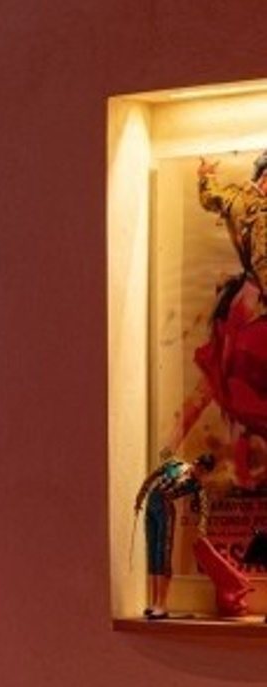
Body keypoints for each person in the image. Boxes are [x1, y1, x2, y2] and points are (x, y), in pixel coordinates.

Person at [169, 155, 267, 485]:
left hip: (248, 298)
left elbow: (211, 196)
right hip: (254, 301)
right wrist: (206, 176)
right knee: (226, 377)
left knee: (227, 378)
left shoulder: (237, 198)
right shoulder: (248, 204)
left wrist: (206, 177)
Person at [134, 452, 217, 618]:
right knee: (152, 552)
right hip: (152, 505)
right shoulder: (174, 464)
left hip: (165, 509)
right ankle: (153, 602)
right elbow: (152, 476)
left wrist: (201, 527)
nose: (200, 473)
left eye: (204, 472)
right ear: (196, 462)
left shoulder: (196, 485)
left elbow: (204, 507)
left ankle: (161, 604)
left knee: (163, 553)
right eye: (200, 468)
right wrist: (140, 497)